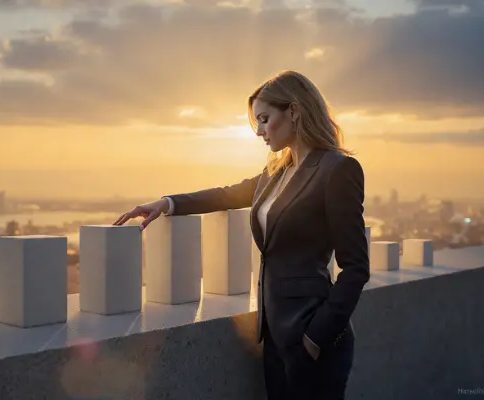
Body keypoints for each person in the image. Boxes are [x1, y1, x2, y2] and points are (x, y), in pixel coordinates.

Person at [113, 70, 370, 399]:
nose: (260, 131)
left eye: (264, 119)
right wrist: (166, 203)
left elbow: (356, 268)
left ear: (293, 111)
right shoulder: (277, 171)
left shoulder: (338, 169)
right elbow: (226, 194)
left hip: (312, 337)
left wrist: (316, 337)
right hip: (274, 336)